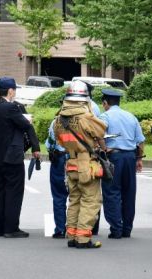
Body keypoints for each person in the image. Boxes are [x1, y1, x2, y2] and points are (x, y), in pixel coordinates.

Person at [53, 81, 107, 249]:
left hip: (70, 164)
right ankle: (83, 238)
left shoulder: (59, 120)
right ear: (84, 98)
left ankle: (71, 236)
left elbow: (59, 140)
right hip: (86, 163)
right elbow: (101, 131)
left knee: (74, 200)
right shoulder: (86, 117)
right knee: (90, 201)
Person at [0, 77, 40, 238]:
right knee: (13, 192)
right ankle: (10, 228)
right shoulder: (11, 108)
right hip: (11, 157)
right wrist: (27, 121)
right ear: (10, 91)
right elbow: (25, 125)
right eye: (14, 90)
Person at [100, 88, 145, 239]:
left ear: (105, 103)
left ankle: (116, 229)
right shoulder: (131, 116)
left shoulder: (105, 116)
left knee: (112, 192)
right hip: (130, 157)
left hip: (114, 158)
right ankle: (127, 229)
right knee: (129, 193)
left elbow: (99, 134)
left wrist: (104, 148)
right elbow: (141, 140)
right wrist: (139, 159)